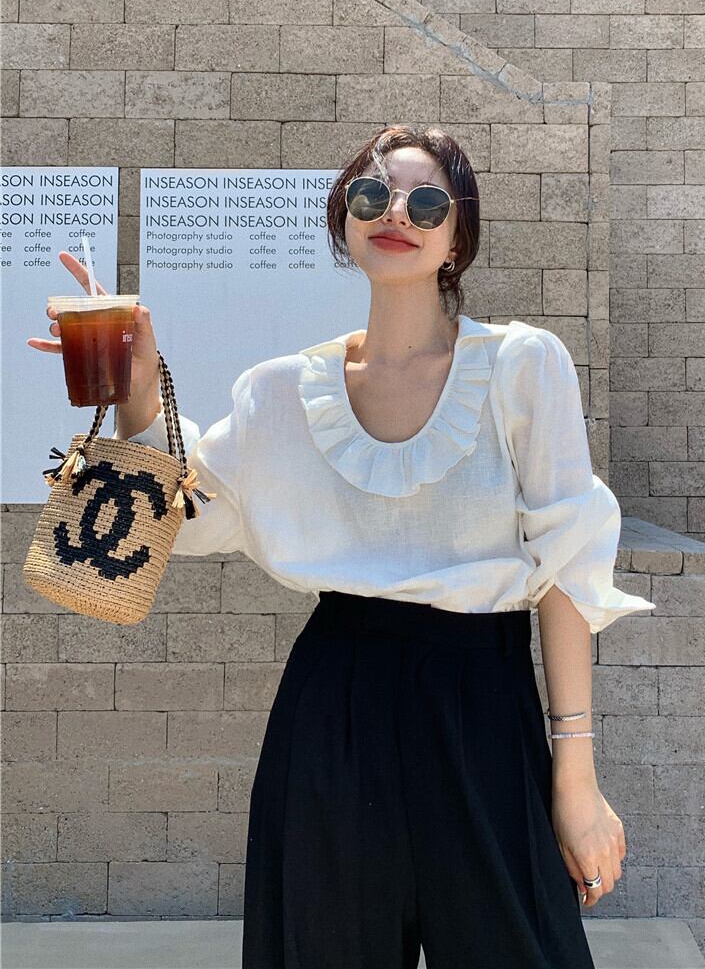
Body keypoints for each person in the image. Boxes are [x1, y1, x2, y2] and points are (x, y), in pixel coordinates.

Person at [31, 125, 656, 969]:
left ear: (457, 238)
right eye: (371, 196)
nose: (396, 213)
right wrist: (140, 393)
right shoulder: (282, 392)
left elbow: (567, 572)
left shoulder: (522, 366)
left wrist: (575, 781)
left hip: (482, 705)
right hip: (334, 706)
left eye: (426, 203)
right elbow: (190, 519)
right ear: (345, 221)